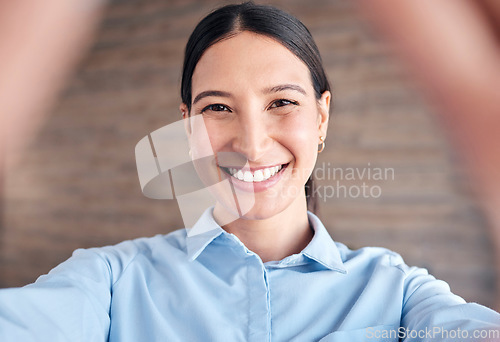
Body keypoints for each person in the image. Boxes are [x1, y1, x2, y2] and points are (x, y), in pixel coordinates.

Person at [0, 2, 499, 341]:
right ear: (187, 127)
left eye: (282, 102)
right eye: (218, 109)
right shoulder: (109, 284)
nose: (252, 144)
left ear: (321, 117)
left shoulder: (400, 294)